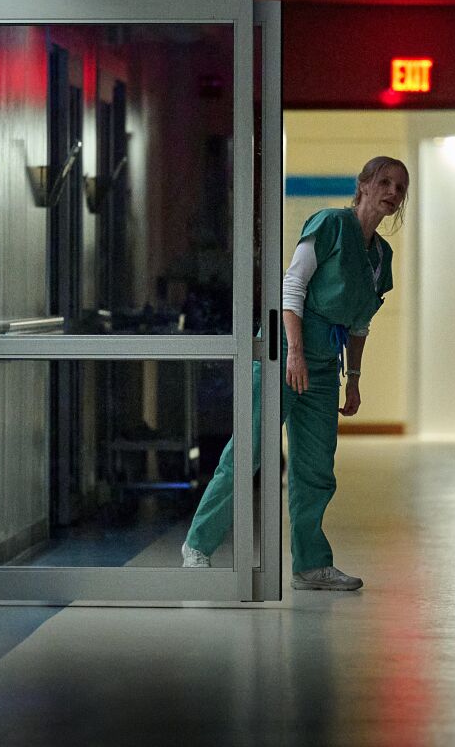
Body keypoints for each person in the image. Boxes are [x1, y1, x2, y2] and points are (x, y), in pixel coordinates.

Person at [181, 156, 410, 591]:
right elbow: (292, 286)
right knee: (247, 452)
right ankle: (197, 546)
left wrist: (355, 378)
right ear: (362, 185)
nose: (392, 193)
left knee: (316, 467)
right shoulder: (329, 225)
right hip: (285, 349)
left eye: (400, 187)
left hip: (326, 363)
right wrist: (295, 353)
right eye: (384, 182)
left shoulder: (381, 257)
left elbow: (361, 322)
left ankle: (310, 564)